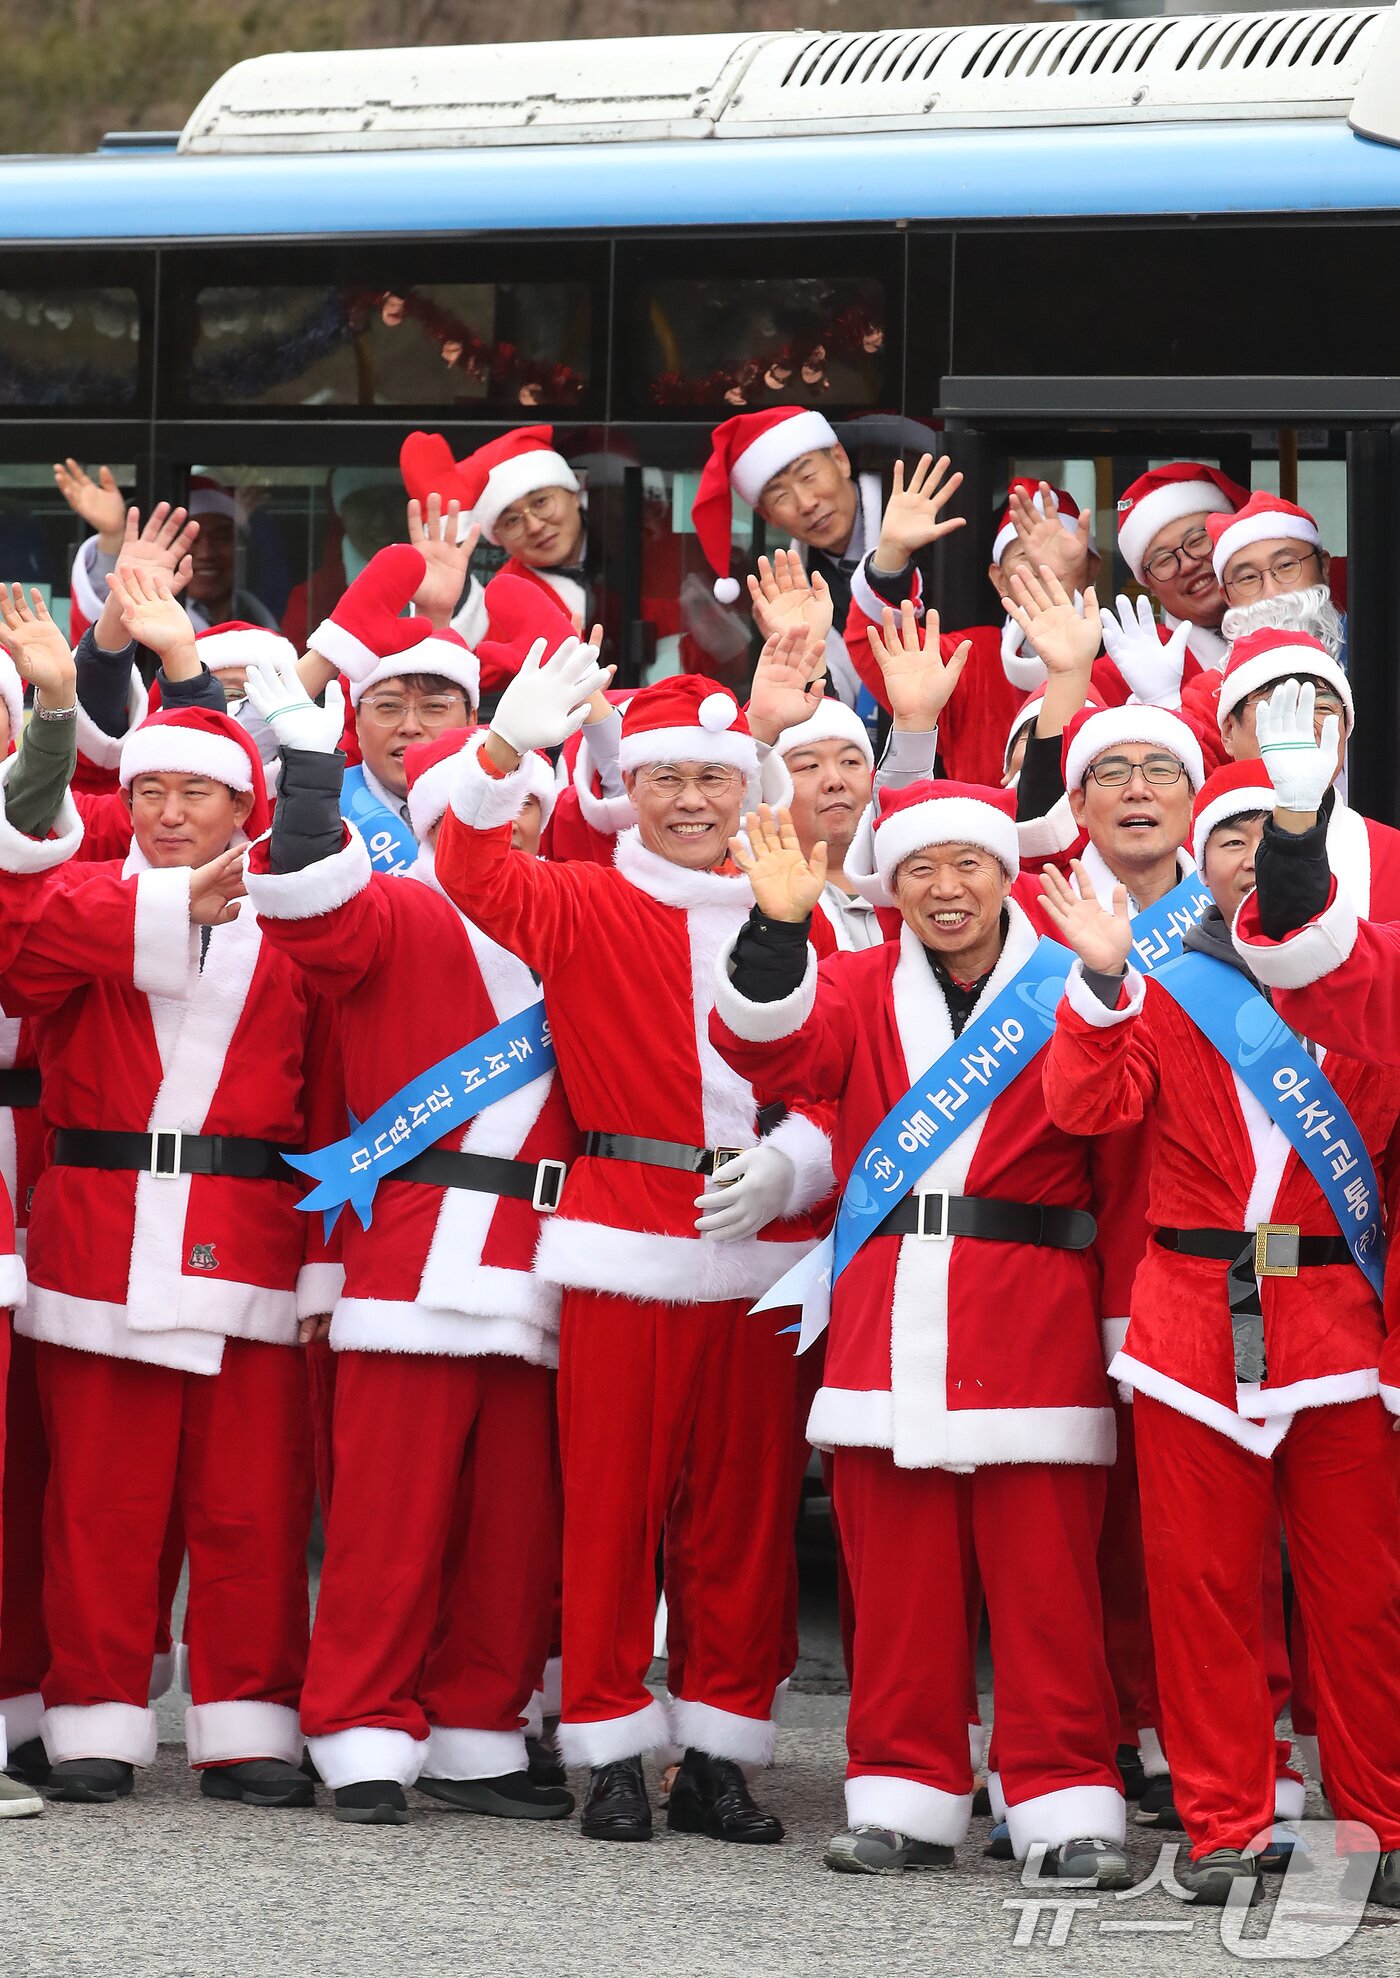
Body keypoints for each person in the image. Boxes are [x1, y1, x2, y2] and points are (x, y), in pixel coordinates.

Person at [433, 641, 835, 1846]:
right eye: (666, 781)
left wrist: (793, 1164)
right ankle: (606, 1738)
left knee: (746, 1515)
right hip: (623, 1235)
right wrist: (504, 747)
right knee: (609, 1509)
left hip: (765, 1244)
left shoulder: (802, 905)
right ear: (632, 787)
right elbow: (467, 862)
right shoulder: (583, 897)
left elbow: (845, 1070)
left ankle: (717, 1753)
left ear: (745, 787)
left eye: (713, 781)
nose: (693, 802)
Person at [709, 788, 1127, 1884]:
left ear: (1005, 873)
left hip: (1032, 1299)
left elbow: (1110, 1135)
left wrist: (1098, 984)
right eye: (920, 871)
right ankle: (903, 1792)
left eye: (967, 867)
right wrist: (776, 931)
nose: (946, 891)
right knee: (893, 1580)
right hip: (890, 1302)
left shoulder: (1075, 971)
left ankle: (1061, 1797)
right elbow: (772, 1056)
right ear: (889, 886)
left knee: (1045, 1585)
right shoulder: (850, 981)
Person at [1039, 753, 1400, 1910]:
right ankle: (1225, 1825)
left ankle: (1379, 1827)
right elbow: (1087, 1111)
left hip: (1337, 1324)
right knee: (1198, 1590)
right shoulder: (1153, 978)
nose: (1252, 858)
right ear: (1202, 855)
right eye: (1233, 836)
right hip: (1192, 1320)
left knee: (1359, 1596)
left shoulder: (1371, 983)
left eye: (1275, 837)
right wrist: (1096, 993)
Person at [241, 659, 572, 1827]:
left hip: (543, 1255)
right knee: (388, 1516)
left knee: (513, 1524)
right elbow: (308, 905)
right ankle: (361, 1725)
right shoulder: (397, 905)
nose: (517, 818)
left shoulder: (576, 918)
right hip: (416, 1248)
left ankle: (480, 1727)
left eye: (534, 798)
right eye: (496, 797)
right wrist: (311, 769)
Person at [0, 690, 340, 1808]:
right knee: (97, 1498)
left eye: (195, 790)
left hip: (248, 1231)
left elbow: (335, 1095)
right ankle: (92, 1715)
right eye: (148, 789)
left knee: (252, 1500)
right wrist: (150, 904)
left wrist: (325, 1267)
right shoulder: (84, 898)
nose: (168, 810)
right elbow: (24, 962)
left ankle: (246, 1723)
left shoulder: (299, 920)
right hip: (96, 1230)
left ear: (244, 804)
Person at [692, 407, 915, 711]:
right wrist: (800, 653)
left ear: (840, 459)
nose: (806, 504)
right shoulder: (797, 590)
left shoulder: (920, 524)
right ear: (768, 516)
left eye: (808, 476)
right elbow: (832, 712)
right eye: (781, 497)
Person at [1213, 627, 1400, 920]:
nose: (1304, 725)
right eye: (1280, 706)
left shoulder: (1391, 854)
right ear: (1228, 731)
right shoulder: (1189, 850)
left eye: (1323, 707)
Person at [57, 463, 278, 645]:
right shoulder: (145, 625)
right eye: (190, 538)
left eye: (222, 537)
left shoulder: (260, 620)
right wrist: (112, 537)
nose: (206, 552)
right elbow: (101, 640)